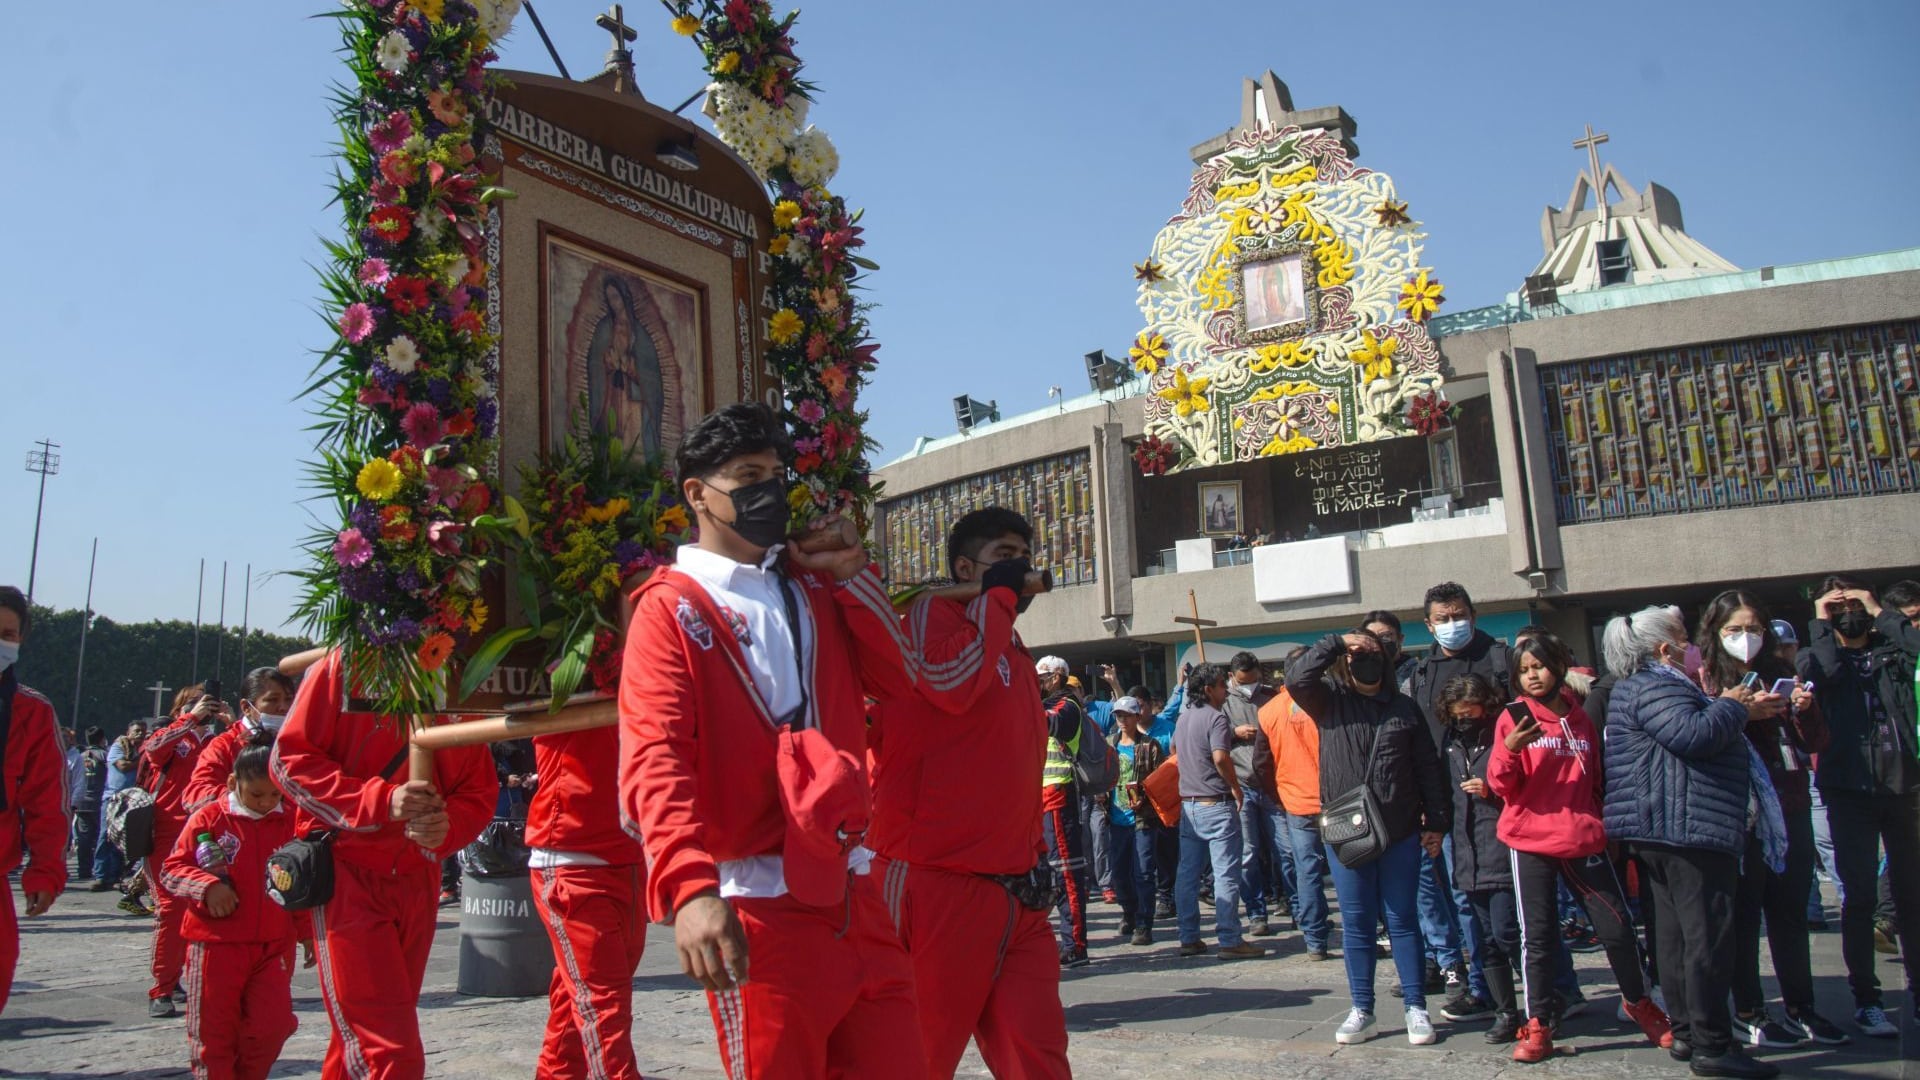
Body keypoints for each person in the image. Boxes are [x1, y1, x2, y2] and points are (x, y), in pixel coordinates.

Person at [617, 403, 927, 1080]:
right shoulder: (669, 606)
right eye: (748, 475)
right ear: (697, 494)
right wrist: (689, 888)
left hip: (854, 891)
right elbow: (654, 756)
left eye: (777, 475)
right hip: (753, 903)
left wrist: (853, 573)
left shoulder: (815, 582)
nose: (768, 492)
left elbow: (899, 679)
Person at [868, 505, 1073, 1078]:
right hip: (938, 885)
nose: (1020, 570)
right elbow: (949, 687)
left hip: (1019, 892)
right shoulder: (929, 613)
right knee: (916, 1059)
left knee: (1039, 1057)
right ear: (964, 567)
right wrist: (997, 598)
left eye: (1023, 559)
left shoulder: (1009, 642)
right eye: (1003, 558)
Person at [271, 651, 498, 1079]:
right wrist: (379, 800)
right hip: (347, 873)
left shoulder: (465, 671)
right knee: (389, 1051)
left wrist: (447, 827)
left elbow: (478, 790)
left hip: (418, 878)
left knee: (360, 1040)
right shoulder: (346, 663)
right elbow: (288, 761)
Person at [1603, 605, 1781, 1079]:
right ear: (1664, 649)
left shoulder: (1644, 687)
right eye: (1683, 638)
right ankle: (1712, 1044)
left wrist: (1734, 709)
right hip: (1685, 827)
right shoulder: (1657, 684)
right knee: (1706, 939)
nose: (1692, 647)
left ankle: (1687, 1033)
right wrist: (1734, 705)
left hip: (1666, 826)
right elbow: (1693, 735)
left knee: (1678, 938)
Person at [1491, 630, 1671, 1063]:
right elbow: (1500, 784)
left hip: (1582, 837)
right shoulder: (1513, 716)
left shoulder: (1581, 718)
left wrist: (1602, 826)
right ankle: (1539, 1024)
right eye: (1524, 670)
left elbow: (1594, 779)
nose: (1533, 676)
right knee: (1537, 937)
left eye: (1539, 666)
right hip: (1530, 839)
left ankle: (1638, 1001)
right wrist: (1511, 752)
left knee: (1618, 928)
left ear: (1558, 666)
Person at [1694, 592, 1847, 1046]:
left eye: (1754, 629)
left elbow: (1816, 742)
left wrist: (1803, 708)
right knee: (1744, 915)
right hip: (1742, 815)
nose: (1746, 639)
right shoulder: (1704, 680)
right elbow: (1702, 741)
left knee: (1790, 913)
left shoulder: (1782, 671)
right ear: (1716, 634)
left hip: (1790, 802)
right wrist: (1740, 710)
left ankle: (1803, 1006)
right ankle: (1750, 1008)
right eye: (1735, 630)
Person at [1287, 627, 1449, 1046]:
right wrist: (1337, 642)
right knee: (1357, 924)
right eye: (1360, 653)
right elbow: (1296, 679)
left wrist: (1437, 822)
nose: (1367, 659)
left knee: (1402, 920)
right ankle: (1363, 1008)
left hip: (1399, 830)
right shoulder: (1329, 703)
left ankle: (1416, 1006)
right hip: (1347, 831)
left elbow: (1428, 767)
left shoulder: (1404, 709)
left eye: (1376, 652)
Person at [1797, 575, 1920, 1038]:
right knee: (1860, 899)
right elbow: (1819, 672)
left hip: (1904, 787)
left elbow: (1918, 649)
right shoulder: (1821, 656)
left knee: (1912, 898)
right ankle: (1867, 1000)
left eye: (1854, 606)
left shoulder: (1893, 651)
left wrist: (1879, 610)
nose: (1849, 612)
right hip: (1849, 790)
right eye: (1839, 607)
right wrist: (1820, 622)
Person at [161, 729, 311, 1080]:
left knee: (273, 1025)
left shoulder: (289, 821)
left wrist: (307, 933)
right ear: (233, 782)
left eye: (275, 794)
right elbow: (173, 869)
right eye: (257, 794)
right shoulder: (210, 819)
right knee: (213, 1034)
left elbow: (299, 883)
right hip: (215, 946)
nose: (265, 802)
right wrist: (207, 886)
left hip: (274, 944)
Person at [1405, 588, 1510, 1013]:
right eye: (1443, 618)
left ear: (1474, 614)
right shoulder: (1423, 672)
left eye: (1459, 614)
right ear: (1428, 625)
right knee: (1465, 898)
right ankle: (1486, 988)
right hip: (1448, 803)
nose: (1452, 623)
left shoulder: (1500, 659)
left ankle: (1556, 989)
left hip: (1503, 799)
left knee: (1519, 900)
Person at [527, 716, 648, 1079]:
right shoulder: (562, 667)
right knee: (604, 1009)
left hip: (628, 854)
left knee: (576, 1004)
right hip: (573, 856)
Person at [1438, 674, 1524, 1044]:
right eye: (1458, 714)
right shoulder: (1452, 742)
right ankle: (1506, 1011)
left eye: (1470, 711)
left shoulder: (1503, 732)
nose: (1465, 719)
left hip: (1502, 845)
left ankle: (1541, 1003)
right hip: (1466, 851)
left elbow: (1526, 784)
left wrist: (1493, 791)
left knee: (1509, 932)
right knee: (1484, 941)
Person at [0, 585, 68, 1016]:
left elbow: (47, 801)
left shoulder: (32, 712)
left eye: (7, 633)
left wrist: (45, 871)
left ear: (21, 638)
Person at [143, 684, 227, 1017]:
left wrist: (235, 722)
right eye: (194, 704)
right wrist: (189, 720)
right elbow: (151, 749)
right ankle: (161, 989)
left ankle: (186, 978)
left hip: (207, 836)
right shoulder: (174, 736)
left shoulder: (216, 742)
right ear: (181, 708)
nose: (203, 709)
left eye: (206, 704)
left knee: (208, 910)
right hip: (165, 834)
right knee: (171, 909)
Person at [1171, 662, 1264, 961]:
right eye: (1223, 686)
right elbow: (1222, 756)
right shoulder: (1216, 718)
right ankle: (1229, 938)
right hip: (1216, 803)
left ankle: (1189, 936)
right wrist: (1235, 787)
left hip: (1190, 804)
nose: (1226, 691)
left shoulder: (1184, 719)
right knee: (1226, 873)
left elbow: (1174, 750)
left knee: (1188, 873)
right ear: (1209, 689)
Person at [1260, 648, 1333, 960]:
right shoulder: (1329, 700)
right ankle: (1365, 930)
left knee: (1307, 870)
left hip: (1294, 800)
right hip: (1335, 798)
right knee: (1347, 868)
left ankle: (1315, 939)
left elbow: (1261, 764)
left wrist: (1277, 794)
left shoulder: (1269, 711)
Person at [1033, 656, 1093, 967]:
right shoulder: (1051, 703)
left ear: (1056, 677)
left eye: (1041, 678)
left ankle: (1076, 944)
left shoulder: (1067, 706)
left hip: (1059, 794)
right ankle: (1066, 939)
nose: (1037, 684)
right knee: (1050, 873)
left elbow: (1046, 722)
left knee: (1067, 873)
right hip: (1042, 797)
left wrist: (1018, 698)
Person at [1223, 651, 1287, 938]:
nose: (1248, 686)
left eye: (1252, 680)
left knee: (1285, 850)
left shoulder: (1271, 697)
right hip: (1242, 785)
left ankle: (1296, 905)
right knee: (1248, 854)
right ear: (1232, 678)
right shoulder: (1223, 702)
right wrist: (1235, 732)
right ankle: (1256, 913)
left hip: (1273, 785)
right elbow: (1213, 737)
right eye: (1242, 681)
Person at [185, 668, 294, 816]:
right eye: (272, 700)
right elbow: (196, 794)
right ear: (246, 707)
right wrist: (247, 798)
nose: (284, 708)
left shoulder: (300, 744)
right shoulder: (225, 745)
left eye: (288, 699)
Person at [1108, 695, 1168, 947]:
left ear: (1137, 717)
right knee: (1120, 873)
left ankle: (1144, 922)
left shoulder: (1150, 746)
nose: (1122, 720)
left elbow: (1161, 779)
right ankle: (1129, 912)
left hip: (1143, 819)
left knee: (1143, 872)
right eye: (1118, 716)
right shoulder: (1109, 744)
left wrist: (1143, 795)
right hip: (1115, 819)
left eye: (1127, 715)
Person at [100, 719, 148, 900]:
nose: (140, 734)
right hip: (113, 798)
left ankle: (115, 875)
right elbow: (123, 765)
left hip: (134, 799)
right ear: (128, 731)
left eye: (143, 731)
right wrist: (143, 758)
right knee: (106, 836)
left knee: (125, 841)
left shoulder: (140, 749)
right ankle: (101, 875)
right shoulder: (119, 746)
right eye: (136, 731)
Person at [73, 726, 107, 884]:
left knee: (84, 838)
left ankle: (83, 869)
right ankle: (101, 869)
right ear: (102, 739)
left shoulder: (80, 756)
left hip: (82, 802)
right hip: (99, 801)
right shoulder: (105, 756)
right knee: (102, 836)